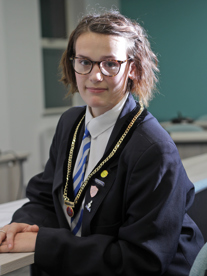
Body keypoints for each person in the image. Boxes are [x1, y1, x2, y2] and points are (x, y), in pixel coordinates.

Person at [0, 10, 204, 276]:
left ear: (131, 68)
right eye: (84, 62)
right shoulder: (70, 124)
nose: (95, 76)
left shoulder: (153, 149)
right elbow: (44, 198)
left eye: (110, 63)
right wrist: (21, 227)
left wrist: (44, 243)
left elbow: (141, 262)